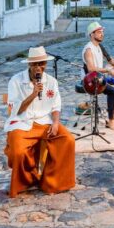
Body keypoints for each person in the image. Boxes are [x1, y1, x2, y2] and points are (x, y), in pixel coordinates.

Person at [4, 46, 76, 198]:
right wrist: (33, 94)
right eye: (35, 64)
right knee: (18, 151)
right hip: (22, 123)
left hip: (45, 121)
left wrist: (55, 123)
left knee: (68, 140)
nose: (38, 67)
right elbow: (15, 110)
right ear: (29, 64)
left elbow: (56, 106)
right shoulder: (15, 81)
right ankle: (26, 181)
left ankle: (51, 181)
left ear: (46, 64)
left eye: (42, 63)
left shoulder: (51, 81)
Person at [82, 21, 114, 130]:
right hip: (90, 81)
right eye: (99, 32)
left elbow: (109, 59)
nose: (102, 34)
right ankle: (111, 121)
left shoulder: (99, 46)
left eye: (102, 32)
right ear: (92, 34)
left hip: (99, 77)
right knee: (112, 91)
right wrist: (108, 70)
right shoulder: (88, 49)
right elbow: (91, 69)